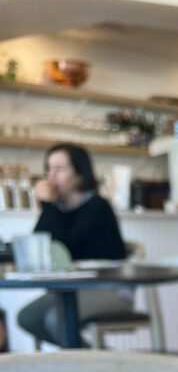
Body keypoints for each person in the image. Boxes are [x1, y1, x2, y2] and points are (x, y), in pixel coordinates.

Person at [17, 144, 130, 347]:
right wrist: (49, 207)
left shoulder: (97, 207)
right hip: (72, 288)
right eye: (48, 169)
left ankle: (88, 369)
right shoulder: (57, 208)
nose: (51, 177)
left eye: (59, 169)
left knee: (56, 320)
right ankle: (97, 362)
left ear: (79, 173)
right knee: (27, 317)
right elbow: (42, 244)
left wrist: (48, 205)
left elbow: (64, 248)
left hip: (108, 289)